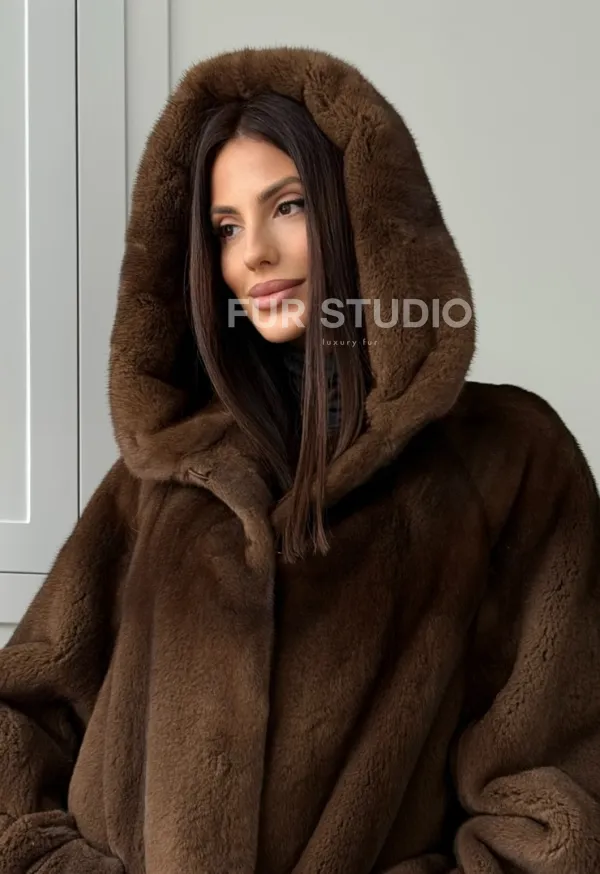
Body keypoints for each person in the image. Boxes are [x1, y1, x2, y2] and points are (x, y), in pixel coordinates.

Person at [1, 46, 599, 874]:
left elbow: (556, 793)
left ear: (363, 216)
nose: (253, 253)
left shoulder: (507, 463)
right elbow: (25, 710)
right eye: (226, 227)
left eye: (286, 206)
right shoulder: (171, 471)